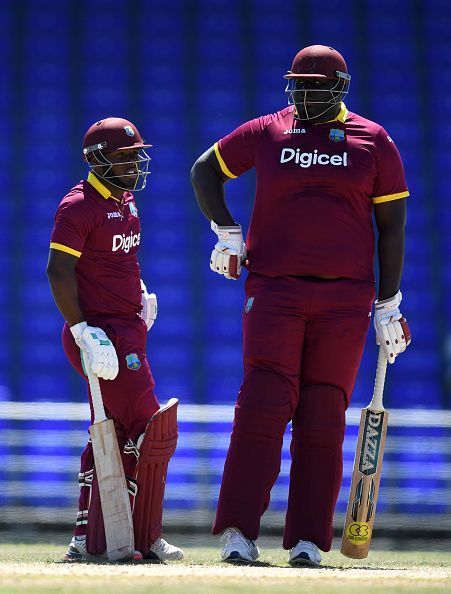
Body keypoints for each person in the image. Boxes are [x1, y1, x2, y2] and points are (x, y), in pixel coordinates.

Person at [191, 45, 411, 566]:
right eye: (300, 84)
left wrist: (389, 302)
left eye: (316, 85)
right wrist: (227, 232)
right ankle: (239, 534)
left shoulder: (374, 141)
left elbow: (392, 226)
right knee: (262, 405)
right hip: (274, 290)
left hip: (344, 298)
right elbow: (205, 172)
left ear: (339, 87)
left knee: (324, 414)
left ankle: (309, 541)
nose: (305, 94)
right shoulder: (269, 130)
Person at [47, 117, 183, 562]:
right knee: (150, 431)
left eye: (135, 156)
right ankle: (147, 535)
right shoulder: (78, 206)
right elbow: (58, 271)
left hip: (127, 330)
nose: (134, 165)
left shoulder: (126, 201)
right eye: (124, 157)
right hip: (101, 336)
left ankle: (90, 537)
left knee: (109, 431)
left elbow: (119, 261)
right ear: (97, 159)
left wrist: (139, 294)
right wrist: (84, 331)